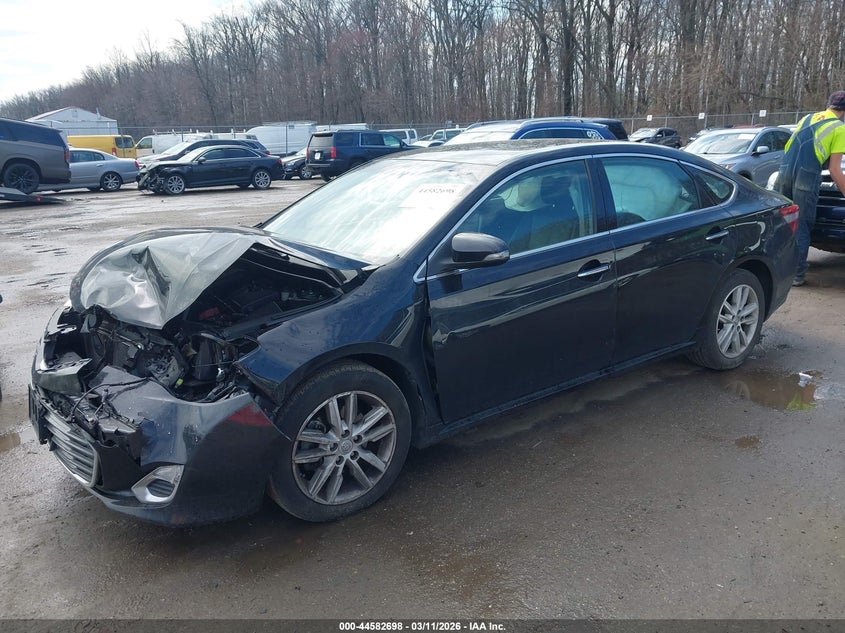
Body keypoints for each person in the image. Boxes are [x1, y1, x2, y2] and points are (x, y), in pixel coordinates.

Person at [775, 91, 845, 286]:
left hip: (784, 172)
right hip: (806, 176)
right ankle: (797, 275)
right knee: (802, 226)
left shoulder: (808, 118)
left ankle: (779, 269)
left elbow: (791, 146)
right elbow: (834, 169)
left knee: (784, 223)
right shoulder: (839, 129)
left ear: (829, 105)